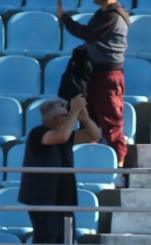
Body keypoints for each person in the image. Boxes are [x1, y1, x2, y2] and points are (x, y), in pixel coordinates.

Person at [6, 96, 101, 245]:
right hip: (43, 201)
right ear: (55, 118)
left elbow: (94, 135)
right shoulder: (39, 134)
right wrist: (74, 111)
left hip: (64, 201)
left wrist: (84, 116)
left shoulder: (65, 135)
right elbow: (60, 136)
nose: (68, 119)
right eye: (65, 115)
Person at [56, 0, 129, 172]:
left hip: (108, 77)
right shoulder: (102, 14)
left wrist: (65, 18)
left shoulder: (112, 15)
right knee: (88, 120)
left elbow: (88, 34)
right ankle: (88, 164)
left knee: (111, 122)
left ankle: (119, 169)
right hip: (93, 75)